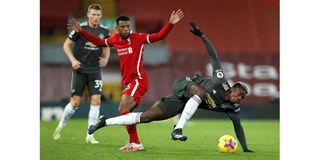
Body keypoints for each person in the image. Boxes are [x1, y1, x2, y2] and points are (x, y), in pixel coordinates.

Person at [87, 22, 254, 152]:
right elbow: (214, 57)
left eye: (241, 97)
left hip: (181, 101)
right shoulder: (220, 82)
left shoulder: (232, 108)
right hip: (184, 84)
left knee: (146, 117)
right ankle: (178, 129)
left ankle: (104, 122)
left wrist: (245, 148)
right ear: (232, 88)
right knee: (201, 93)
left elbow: (238, 127)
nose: (238, 98)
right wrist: (202, 35)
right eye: (238, 93)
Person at [67, 9, 184, 151]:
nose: (126, 29)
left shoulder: (138, 38)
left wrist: (170, 24)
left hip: (138, 80)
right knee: (125, 114)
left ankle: (133, 141)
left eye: (128, 26)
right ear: (117, 28)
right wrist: (82, 32)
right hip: (129, 82)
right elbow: (98, 42)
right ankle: (134, 142)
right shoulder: (115, 39)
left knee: (123, 108)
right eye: (122, 26)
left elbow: (158, 36)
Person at [53, 3, 110, 144]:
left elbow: (106, 46)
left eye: (98, 15)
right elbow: (66, 44)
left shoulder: (105, 30)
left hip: (95, 70)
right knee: (75, 103)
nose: (95, 17)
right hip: (80, 70)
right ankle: (60, 126)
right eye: (93, 14)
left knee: (96, 101)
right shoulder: (80, 28)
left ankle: (89, 135)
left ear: (101, 16)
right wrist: (73, 60)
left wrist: (106, 59)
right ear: (88, 15)